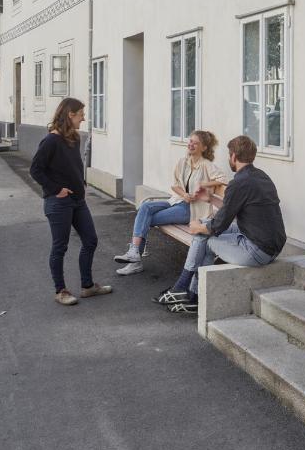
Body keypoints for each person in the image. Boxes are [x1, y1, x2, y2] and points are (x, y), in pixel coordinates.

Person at [156, 135, 286, 314]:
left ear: (233, 156)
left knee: (205, 237)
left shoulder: (239, 182)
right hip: (268, 242)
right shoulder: (260, 176)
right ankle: (190, 292)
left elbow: (218, 226)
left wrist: (197, 228)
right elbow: (231, 208)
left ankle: (187, 290)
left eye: (229, 155)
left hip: (258, 250)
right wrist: (210, 198)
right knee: (205, 225)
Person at [30, 97, 112, 306]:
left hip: (77, 200)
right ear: (70, 114)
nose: (84, 118)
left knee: (91, 240)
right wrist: (57, 189)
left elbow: (72, 166)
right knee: (60, 247)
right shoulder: (51, 141)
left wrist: (80, 182)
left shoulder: (73, 138)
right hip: (58, 203)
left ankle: (87, 286)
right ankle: (61, 291)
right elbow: (35, 170)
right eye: (81, 114)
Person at [114, 130, 227, 275]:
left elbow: (223, 180)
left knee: (144, 219)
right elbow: (174, 185)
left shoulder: (206, 165)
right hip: (176, 201)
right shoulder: (183, 162)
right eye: (190, 141)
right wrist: (184, 194)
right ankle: (135, 252)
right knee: (145, 207)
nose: (191, 144)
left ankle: (135, 257)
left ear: (204, 148)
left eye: (195, 143)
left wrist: (204, 185)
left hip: (190, 210)